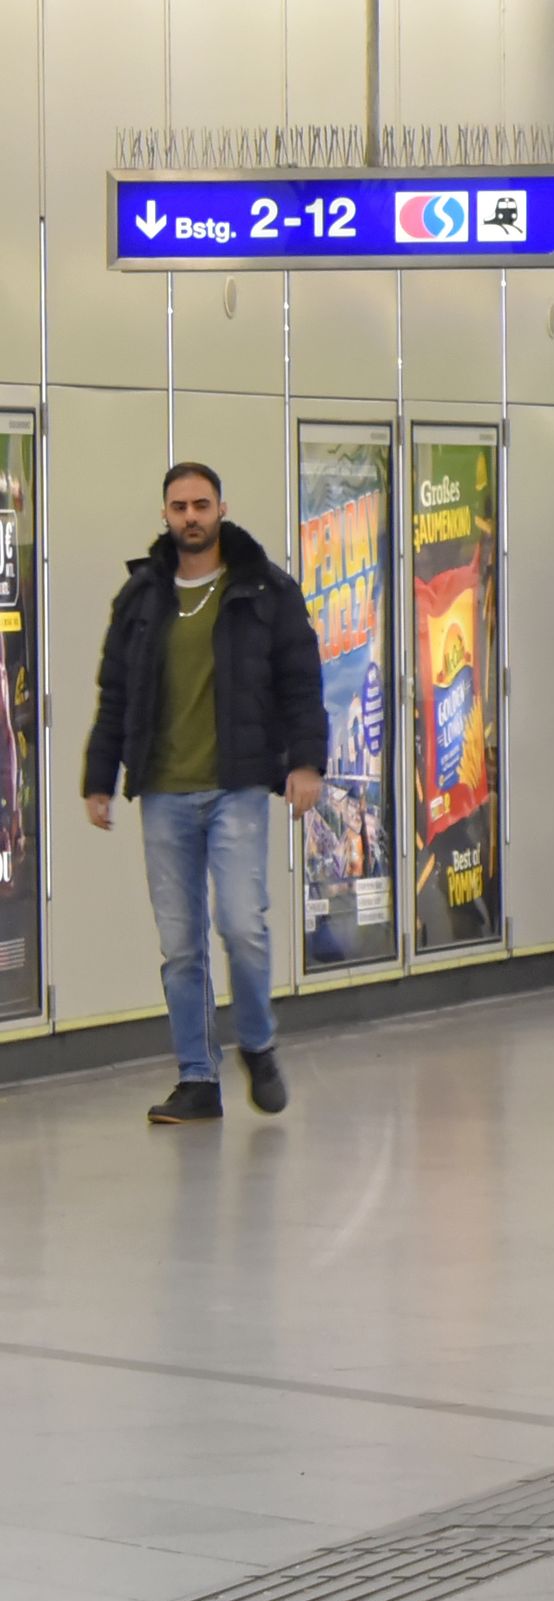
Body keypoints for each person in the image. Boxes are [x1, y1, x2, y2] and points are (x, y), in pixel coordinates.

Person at [79, 461, 326, 1123]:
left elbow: (302, 685)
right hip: (162, 791)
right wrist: (99, 779)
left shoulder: (265, 590)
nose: (191, 516)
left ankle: (258, 1042)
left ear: (221, 508)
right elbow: (117, 696)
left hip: (237, 787)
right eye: (179, 506)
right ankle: (197, 1079)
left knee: (243, 926)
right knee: (181, 944)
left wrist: (305, 764)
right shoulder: (141, 598)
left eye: (202, 504)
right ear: (164, 513)